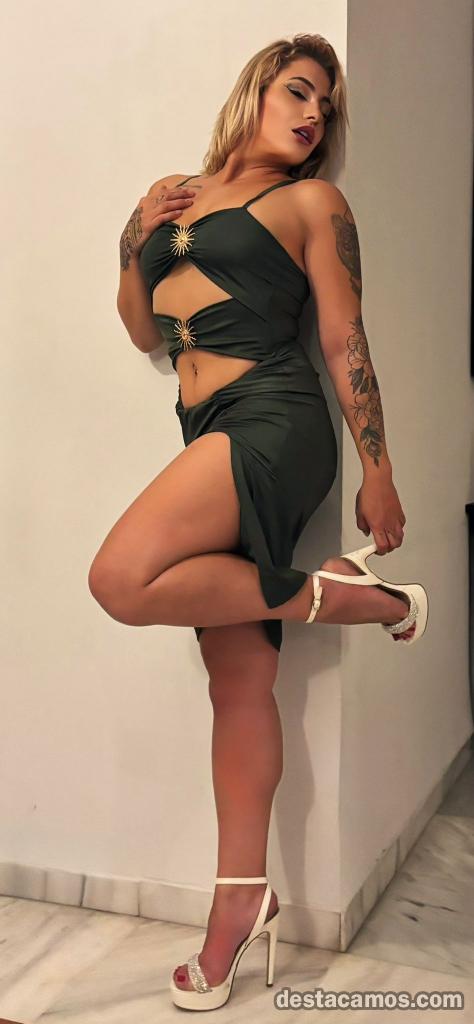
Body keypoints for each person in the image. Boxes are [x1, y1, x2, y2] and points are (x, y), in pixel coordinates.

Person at [88, 32, 428, 1010]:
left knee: (120, 579)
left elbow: (343, 335)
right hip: (204, 428)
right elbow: (145, 331)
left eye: (325, 105)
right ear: (256, 90)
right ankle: (242, 900)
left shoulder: (313, 203)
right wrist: (131, 238)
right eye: (299, 91)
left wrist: (379, 470)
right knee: (239, 682)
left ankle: (362, 599)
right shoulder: (179, 197)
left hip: (273, 421)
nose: (314, 113)